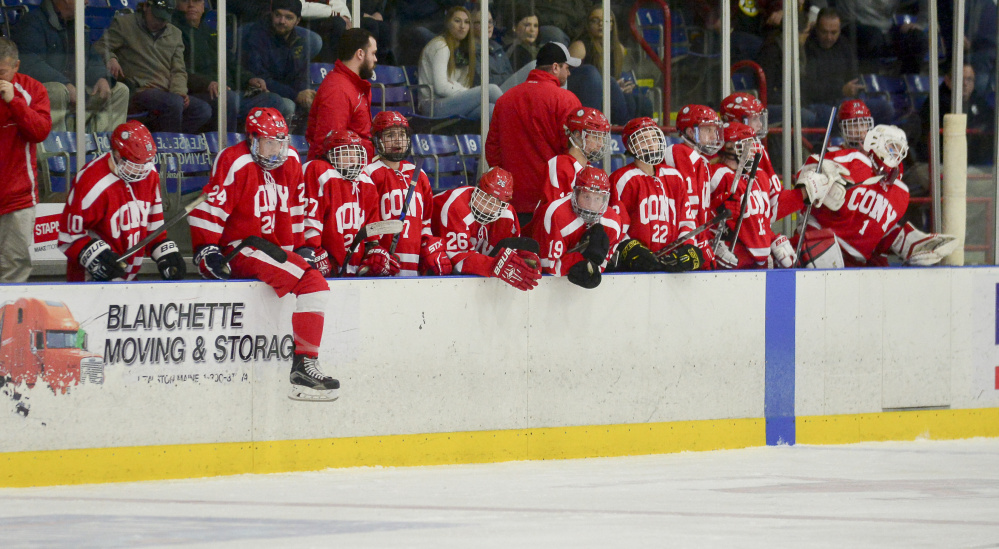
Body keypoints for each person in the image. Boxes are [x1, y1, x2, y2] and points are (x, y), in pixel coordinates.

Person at [189, 107, 338, 402]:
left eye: (282, 142)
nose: (277, 150)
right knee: (315, 285)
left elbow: (296, 208)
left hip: (273, 251)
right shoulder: (235, 161)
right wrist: (206, 249)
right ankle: (304, 365)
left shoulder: (292, 160)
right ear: (253, 139)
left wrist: (301, 245)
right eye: (270, 142)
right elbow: (209, 210)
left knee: (316, 283)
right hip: (241, 248)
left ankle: (304, 366)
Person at [795, 125, 959, 267]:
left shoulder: (901, 193)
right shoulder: (855, 160)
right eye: (892, 147)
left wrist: (910, 243)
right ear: (876, 141)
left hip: (856, 261)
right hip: (816, 242)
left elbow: (878, 232)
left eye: (900, 151)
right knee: (824, 256)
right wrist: (822, 172)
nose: (896, 155)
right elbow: (806, 170)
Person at [57, 121, 185, 282]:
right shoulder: (91, 182)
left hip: (129, 281)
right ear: (117, 155)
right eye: (136, 163)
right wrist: (96, 257)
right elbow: (68, 236)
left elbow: (154, 229)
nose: (143, 169)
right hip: (90, 283)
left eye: (147, 162)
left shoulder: (149, 174)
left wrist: (166, 254)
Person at [486, 41, 582, 224]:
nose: (569, 74)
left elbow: (493, 150)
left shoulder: (505, 99)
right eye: (567, 68)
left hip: (512, 201)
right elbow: (574, 154)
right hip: (551, 201)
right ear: (555, 67)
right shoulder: (566, 100)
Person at [356, 111, 451, 277]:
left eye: (401, 134)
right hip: (381, 266)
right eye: (390, 135)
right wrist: (372, 252)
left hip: (413, 267)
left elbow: (425, 222)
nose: (397, 140)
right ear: (377, 140)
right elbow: (362, 222)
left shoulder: (418, 174)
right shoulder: (368, 174)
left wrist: (430, 248)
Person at [94, 0, 211, 133]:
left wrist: (179, 92)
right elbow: (100, 46)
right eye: (157, 16)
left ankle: (162, 140)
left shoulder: (175, 34)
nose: (160, 22)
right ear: (145, 7)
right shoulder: (125, 24)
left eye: (164, 18)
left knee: (202, 110)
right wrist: (111, 58)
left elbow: (178, 69)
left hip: (166, 92)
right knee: (173, 103)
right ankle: (168, 148)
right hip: (139, 89)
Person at [13, 0, 129, 133]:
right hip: (47, 91)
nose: (87, 2)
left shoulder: (77, 25)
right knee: (58, 91)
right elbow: (30, 64)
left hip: (74, 91)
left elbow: (91, 58)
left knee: (120, 90)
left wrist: (101, 77)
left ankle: (99, 148)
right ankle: (54, 149)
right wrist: (66, 84)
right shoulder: (32, 22)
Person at [608, 117, 703, 273]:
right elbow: (615, 226)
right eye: (644, 139)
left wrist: (688, 247)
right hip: (635, 269)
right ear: (631, 146)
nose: (651, 144)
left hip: (670, 264)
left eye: (653, 138)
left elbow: (686, 220)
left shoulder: (674, 176)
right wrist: (631, 249)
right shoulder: (622, 179)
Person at [430, 168, 542, 291]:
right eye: (485, 197)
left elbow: (512, 254)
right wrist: (494, 266)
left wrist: (527, 259)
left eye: (496, 202)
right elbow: (457, 261)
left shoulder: (507, 215)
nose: (487, 206)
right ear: (477, 189)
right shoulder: (456, 206)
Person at [708, 122, 795, 269]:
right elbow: (699, 214)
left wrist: (772, 239)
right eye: (747, 143)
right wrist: (712, 242)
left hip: (755, 261)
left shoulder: (759, 177)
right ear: (730, 147)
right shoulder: (717, 175)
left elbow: (758, 221)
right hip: (731, 256)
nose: (754, 149)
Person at [0, 38, 52, 283]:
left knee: (14, 268)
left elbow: (40, 132)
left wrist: (14, 102)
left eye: (1, 72)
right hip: (15, 196)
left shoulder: (32, 90)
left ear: (16, 66)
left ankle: (8, 321)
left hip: (17, 198)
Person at [529, 166, 624, 289]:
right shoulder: (557, 214)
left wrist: (592, 266)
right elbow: (549, 265)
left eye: (597, 198)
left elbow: (599, 267)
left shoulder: (613, 223)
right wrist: (582, 258)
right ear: (576, 193)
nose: (591, 205)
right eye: (586, 197)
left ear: (605, 200)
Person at [802, 9, 893, 127]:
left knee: (886, 108)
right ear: (817, 29)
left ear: (839, 30)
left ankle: (872, 142)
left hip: (845, 101)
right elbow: (808, 89)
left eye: (833, 32)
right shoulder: (807, 47)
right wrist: (840, 89)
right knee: (832, 115)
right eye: (824, 32)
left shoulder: (844, 45)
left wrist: (854, 90)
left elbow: (853, 76)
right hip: (820, 104)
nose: (829, 37)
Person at [302, 129, 374, 276]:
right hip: (324, 258)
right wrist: (315, 250)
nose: (353, 159)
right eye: (346, 154)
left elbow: (371, 229)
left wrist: (374, 250)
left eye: (355, 153)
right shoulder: (318, 170)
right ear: (330, 154)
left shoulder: (365, 181)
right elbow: (308, 218)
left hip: (353, 265)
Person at [566, 6, 651, 125]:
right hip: (584, 98)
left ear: (612, 24)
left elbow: (614, 78)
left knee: (641, 101)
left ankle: (641, 133)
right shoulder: (579, 46)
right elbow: (566, 78)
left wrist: (622, 85)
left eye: (606, 20)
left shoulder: (619, 49)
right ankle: (626, 127)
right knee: (608, 81)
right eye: (595, 20)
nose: (601, 24)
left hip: (609, 95)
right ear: (588, 24)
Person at [663, 104, 724, 267]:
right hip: (680, 241)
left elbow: (701, 211)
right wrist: (698, 243)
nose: (713, 135)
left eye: (714, 130)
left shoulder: (701, 161)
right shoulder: (679, 153)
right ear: (691, 132)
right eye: (707, 130)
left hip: (696, 237)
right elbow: (688, 209)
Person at [240, 0, 319, 123]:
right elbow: (261, 78)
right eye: (278, 15)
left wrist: (305, 93)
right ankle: (279, 140)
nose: (282, 21)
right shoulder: (256, 36)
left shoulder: (299, 41)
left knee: (315, 102)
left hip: (288, 90)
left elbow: (302, 74)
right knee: (288, 105)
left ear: (298, 21)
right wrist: (296, 95)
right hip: (261, 92)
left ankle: (305, 142)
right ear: (271, 14)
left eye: (288, 17)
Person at [417, 7, 502, 119]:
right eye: (457, 21)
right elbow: (441, 88)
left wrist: (458, 88)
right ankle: (522, 116)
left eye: (466, 22)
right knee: (491, 90)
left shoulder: (463, 50)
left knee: (492, 110)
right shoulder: (440, 46)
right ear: (448, 24)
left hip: (453, 102)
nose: (462, 26)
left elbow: (460, 84)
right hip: (433, 106)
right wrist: (466, 92)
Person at [306, 28, 376, 162]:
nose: (375, 59)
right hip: (340, 175)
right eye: (373, 53)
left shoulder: (354, 85)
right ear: (360, 54)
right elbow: (329, 147)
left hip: (355, 169)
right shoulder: (337, 90)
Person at [919, 62, 995, 165]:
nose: (965, 83)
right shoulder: (936, 102)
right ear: (947, 80)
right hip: (941, 164)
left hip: (972, 163)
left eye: (969, 79)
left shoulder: (976, 98)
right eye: (960, 78)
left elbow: (991, 119)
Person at [538, 106, 609, 207]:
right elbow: (556, 211)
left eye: (602, 138)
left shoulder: (590, 170)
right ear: (577, 134)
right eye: (596, 137)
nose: (601, 144)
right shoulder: (560, 165)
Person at [471, 9, 514, 89]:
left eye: (490, 22)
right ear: (471, 25)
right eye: (483, 21)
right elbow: (482, 81)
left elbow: (512, 76)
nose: (489, 26)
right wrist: (504, 78)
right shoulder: (470, 50)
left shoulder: (498, 48)